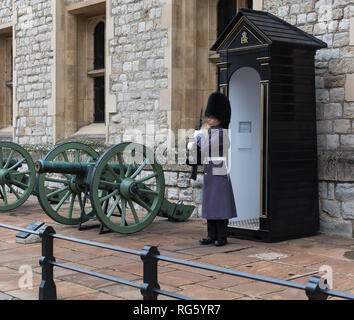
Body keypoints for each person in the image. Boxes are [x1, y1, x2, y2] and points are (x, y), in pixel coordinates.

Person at [188, 92, 237, 246]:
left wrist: (197, 138)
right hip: (211, 170)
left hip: (219, 170)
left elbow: (209, 147)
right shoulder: (210, 132)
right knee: (210, 205)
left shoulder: (223, 133)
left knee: (219, 206)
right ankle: (211, 235)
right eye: (208, 116)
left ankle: (222, 237)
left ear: (220, 117)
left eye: (212, 116)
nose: (209, 118)